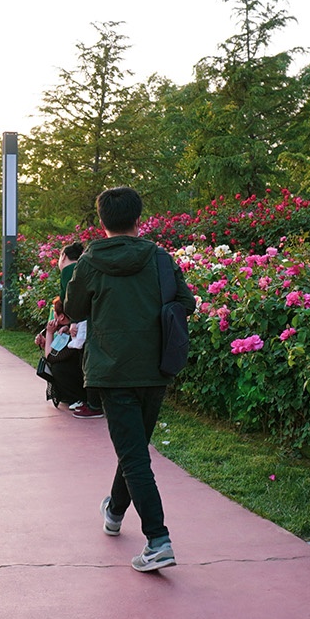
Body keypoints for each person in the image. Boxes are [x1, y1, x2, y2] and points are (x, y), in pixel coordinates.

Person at [65, 186, 195, 573]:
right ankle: (114, 511)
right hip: (155, 368)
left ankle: (158, 540)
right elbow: (185, 303)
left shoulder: (88, 262)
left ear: (102, 221)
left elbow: (74, 311)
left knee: (134, 455)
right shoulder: (158, 258)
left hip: (112, 370)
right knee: (134, 449)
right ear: (139, 218)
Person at [35, 296, 99, 416]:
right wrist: (46, 342)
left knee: (58, 368)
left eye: (54, 312)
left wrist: (49, 334)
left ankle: (78, 399)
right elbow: (56, 351)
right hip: (79, 373)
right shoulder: (65, 329)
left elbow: (52, 357)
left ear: (61, 316)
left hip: (81, 378)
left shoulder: (75, 332)